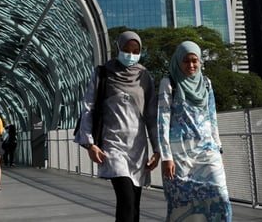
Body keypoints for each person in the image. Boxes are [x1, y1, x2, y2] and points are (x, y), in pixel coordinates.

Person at [75, 30, 161, 222]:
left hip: (137, 148)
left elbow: (151, 115)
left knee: (135, 205)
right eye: (126, 49)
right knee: (126, 200)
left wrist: (157, 149)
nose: (130, 54)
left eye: (135, 50)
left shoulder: (144, 76)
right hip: (112, 145)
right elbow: (88, 107)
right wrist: (90, 144)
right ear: (118, 48)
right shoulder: (103, 73)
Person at [158, 41, 232, 221]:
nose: (191, 65)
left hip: (207, 150)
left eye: (194, 60)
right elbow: (162, 120)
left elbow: (212, 117)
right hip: (180, 154)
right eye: (186, 61)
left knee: (220, 196)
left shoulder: (206, 83)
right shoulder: (169, 83)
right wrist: (166, 156)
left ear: (200, 61)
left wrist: (218, 147)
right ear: (178, 61)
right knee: (183, 204)